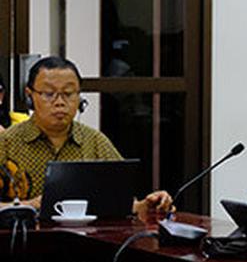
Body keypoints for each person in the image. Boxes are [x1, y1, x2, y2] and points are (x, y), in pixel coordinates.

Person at [0, 56, 169, 213]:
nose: (59, 102)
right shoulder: (7, 142)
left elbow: (120, 201)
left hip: (86, 239)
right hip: (24, 241)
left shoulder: (95, 142)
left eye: (68, 94)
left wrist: (145, 205)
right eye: (49, 94)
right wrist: (29, 205)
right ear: (30, 96)